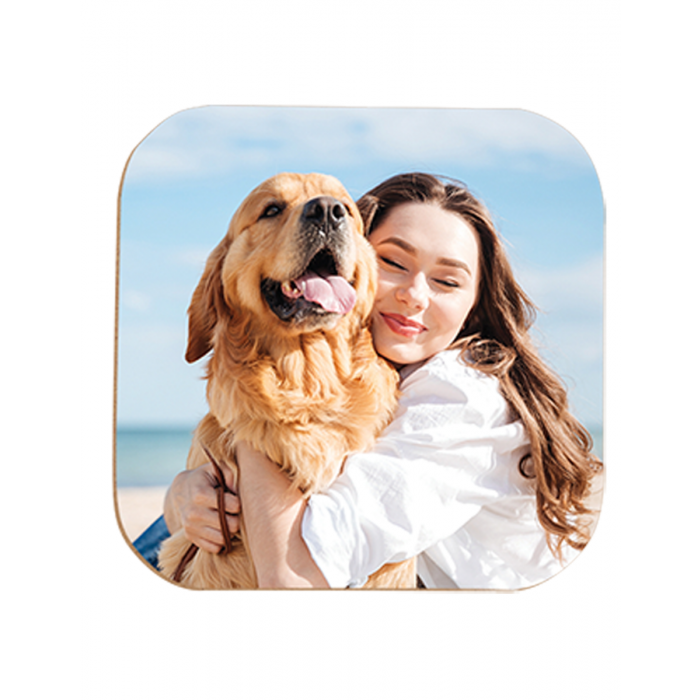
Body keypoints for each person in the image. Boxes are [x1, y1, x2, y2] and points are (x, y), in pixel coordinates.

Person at [140, 172, 602, 589]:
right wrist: (181, 496)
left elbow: (292, 577)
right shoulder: (389, 372)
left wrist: (248, 418)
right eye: (394, 263)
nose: (413, 296)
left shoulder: (458, 395)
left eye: (447, 281)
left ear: (476, 306)